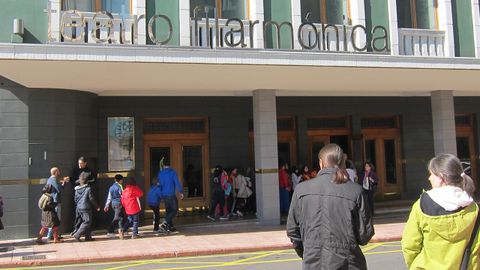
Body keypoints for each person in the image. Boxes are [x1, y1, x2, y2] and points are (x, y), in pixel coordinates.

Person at [287, 143, 374, 269]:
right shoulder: (355, 191)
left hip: (313, 262)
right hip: (348, 263)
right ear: (342, 163)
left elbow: (293, 231)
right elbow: (365, 235)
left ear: (321, 163)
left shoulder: (301, 190)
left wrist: (309, 252)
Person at [402, 153, 479, 269]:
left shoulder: (422, 205)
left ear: (441, 178)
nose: (429, 178)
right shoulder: (473, 208)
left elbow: (410, 245)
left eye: (431, 174)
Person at [157, 160, 184, 233]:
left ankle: (170, 227)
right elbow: (177, 182)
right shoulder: (172, 172)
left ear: (163, 165)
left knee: (168, 211)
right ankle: (165, 223)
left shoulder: (160, 173)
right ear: (170, 165)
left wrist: (160, 194)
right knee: (174, 210)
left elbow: (159, 185)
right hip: (171, 195)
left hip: (164, 195)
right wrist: (181, 191)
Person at [73, 172, 100, 242]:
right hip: (86, 207)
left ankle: (88, 237)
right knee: (87, 221)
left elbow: (75, 199)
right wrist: (96, 206)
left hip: (79, 207)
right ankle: (77, 234)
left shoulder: (77, 190)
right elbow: (91, 199)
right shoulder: (88, 189)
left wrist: (78, 206)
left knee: (86, 221)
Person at [45, 167, 69, 240]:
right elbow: (59, 189)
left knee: (53, 219)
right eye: (58, 171)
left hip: (52, 202)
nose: (59, 172)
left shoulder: (49, 179)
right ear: (55, 172)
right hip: (55, 202)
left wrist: (63, 183)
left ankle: (52, 235)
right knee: (56, 219)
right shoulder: (53, 180)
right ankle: (51, 235)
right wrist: (64, 182)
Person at [104, 174, 124, 239]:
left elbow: (109, 197)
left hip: (113, 204)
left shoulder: (111, 187)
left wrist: (107, 205)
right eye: (122, 180)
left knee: (120, 217)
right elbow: (122, 195)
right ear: (120, 180)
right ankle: (110, 232)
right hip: (118, 203)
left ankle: (121, 230)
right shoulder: (119, 186)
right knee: (116, 218)